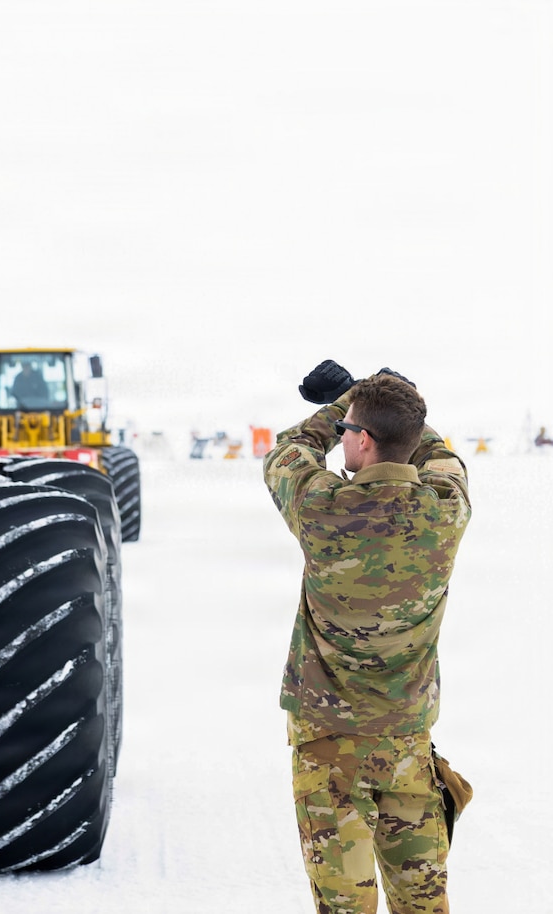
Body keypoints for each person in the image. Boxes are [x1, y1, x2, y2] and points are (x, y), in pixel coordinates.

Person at [264, 361, 471, 914]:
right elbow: (434, 450)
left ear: (359, 439)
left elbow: (288, 451)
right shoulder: (447, 507)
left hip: (329, 746)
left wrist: (341, 401)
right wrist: (396, 404)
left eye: (348, 429)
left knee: (345, 903)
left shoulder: (321, 506)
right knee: (424, 900)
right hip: (407, 741)